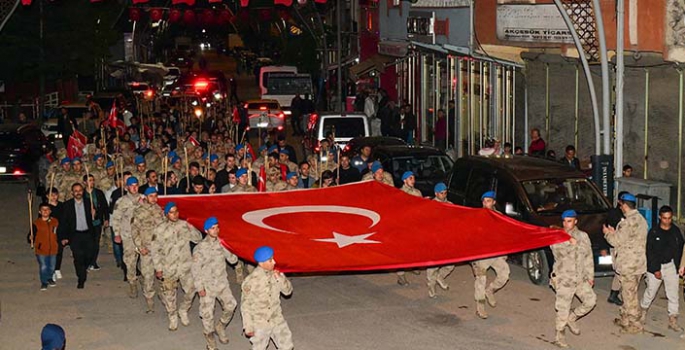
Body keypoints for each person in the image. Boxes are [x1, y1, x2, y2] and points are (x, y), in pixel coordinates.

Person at [152, 202, 203, 331]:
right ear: (166, 214)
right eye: (171, 212)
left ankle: (183, 310)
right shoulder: (160, 229)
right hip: (168, 267)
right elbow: (155, 249)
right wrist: (158, 268)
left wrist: (192, 227)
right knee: (170, 295)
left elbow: (197, 239)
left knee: (191, 290)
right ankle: (172, 316)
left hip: (185, 266)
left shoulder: (184, 225)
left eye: (176, 212)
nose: (174, 215)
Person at [549, 210, 596, 348]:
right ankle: (559, 336)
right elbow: (558, 254)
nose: (566, 224)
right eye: (564, 221)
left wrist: (590, 276)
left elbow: (588, 256)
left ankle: (573, 318)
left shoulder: (583, 236)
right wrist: (569, 241)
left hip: (580, 278)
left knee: (591, 301)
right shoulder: (557, 236)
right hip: (564, 279)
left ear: (575, 221)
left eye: (569, 221)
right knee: (563, 308)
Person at [602, 192, 648, 334]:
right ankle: (625, 319)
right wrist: (616, 232)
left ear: (624, 205)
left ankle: (635, 324)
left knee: (630, 296)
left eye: (621, 205)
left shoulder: (627, 223)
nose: (620, 207)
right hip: (639, 264)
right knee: (629, 292)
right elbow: (629, 239)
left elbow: (616, 242)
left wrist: (608, 233)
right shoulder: (641, 219)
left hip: (629, 265)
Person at [192, 217, 239, 350]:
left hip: (221, 283)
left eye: (217, 227)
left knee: (231, 305)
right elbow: (195, 269)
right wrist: (199, 287)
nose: (216, 230)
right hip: (207, 285)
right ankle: (210, 340)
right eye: (213, 228)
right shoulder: (200, 248)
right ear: (206, 230)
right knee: (207, 314)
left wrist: (229, 247)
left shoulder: (221, 243)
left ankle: (221, 326)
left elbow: (233, 260)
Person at [640, 205, 684, 332]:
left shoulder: (676, 231)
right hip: (657, 267)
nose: (667, 221)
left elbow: (681, 248)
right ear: (660, 217)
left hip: (671, 266)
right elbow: (650, 252)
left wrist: (680, 265)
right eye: (665, 218)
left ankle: (673, 320)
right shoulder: (654, 232)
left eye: (669, 218)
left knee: (673, 294)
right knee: (651, 291)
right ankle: (643, 310)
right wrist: (655, 269)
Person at [241, 246, 294, 350]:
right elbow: (245, 305)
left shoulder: (276, 274)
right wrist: (248, 326)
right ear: (261, 263)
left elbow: (288, 292)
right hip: (260, 322)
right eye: (270, 260)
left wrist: (280, 279)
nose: (274, 262)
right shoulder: (251, 281)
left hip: (276, 318)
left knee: (287, 346)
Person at [471, 191, 510, 319]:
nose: (485, 203)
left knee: (505, 274)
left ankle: (490, 290)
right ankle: (480, 306)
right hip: (481, 254)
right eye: (484, 201)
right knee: (481, 280)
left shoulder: (499, 216)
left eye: (488, 201)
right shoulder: (477, 216)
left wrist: (504, 252)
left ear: (493, 202)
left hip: (495, 253)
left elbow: (503, 235)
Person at [131, 187, 165, 313]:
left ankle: (164, 295)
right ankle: (150, 300)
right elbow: (134, 230)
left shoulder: (159, 210)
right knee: (148, 275)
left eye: (156, 196)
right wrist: (140, 247)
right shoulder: (139, 211)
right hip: (146, 248)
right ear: (145, 197)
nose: (154, 199)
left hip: (159, 249)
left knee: (163, 274)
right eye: (151, 196)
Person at [57, 183, 95, 289]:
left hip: (88, 233)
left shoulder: (89, 202)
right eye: (76, 191)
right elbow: (63, 222)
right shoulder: (67, 205)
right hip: (75, 235)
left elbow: (95, 218)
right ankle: (81, 278)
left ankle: (84, 267)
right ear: (72, 193)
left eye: (80, 190)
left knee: (89, 255)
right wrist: (63, 237)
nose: (78, 192)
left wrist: (95, 213)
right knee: (78, 257)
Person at [111, 176, 143, 294]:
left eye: (136, 185)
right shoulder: (121, 201)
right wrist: (116, 234)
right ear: (127, 187)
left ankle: (145, 282)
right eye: (131, 185)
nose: (134, 188)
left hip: (142, 234)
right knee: (130, 260)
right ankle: (132, 282)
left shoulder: (144, 199)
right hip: (128, 234)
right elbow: (116, 218)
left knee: (145, 260)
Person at [426, 183, 455, 298]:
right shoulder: (431, 206)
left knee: (451, 263)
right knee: (433, 265)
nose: (443, 195)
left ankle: (440, 276)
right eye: (441, 193)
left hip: (446, 239)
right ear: (436, 193)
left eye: (445, 193)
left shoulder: (450, 205)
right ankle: (431, 287)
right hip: (434, 239)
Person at [605, 191, 628, 306]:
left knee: (620, 272)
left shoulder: (629, 214)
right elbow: (611, 231)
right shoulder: (614, 213)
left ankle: (614, 294)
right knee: (620, 271)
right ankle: (616, 295)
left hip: (624, 246)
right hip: (616, 246)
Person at [83, 174, 109, 271]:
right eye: (89, 180)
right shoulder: (82, 194)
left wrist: (106, 218)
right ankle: (86, 261)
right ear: (85, 182)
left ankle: (93, 262)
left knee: (95, 242)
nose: (92, 182)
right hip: (85, 223)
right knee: (87, 243)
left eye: (92, 180)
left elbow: (104, 206)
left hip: (97, 222)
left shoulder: (98, 193)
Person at [32, 203, 60, 290]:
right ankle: (44, 282)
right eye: (43, 209)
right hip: (41, 249)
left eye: (47, 209)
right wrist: (30, 238)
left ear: (50, 211)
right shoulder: (36, 223)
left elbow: (57, 233)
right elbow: (31, 235)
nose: (45, 211)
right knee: (43, 266)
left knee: (52, 266)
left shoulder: (55, 222)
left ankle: (49, 277)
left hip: (53, 248)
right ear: (40, 212)